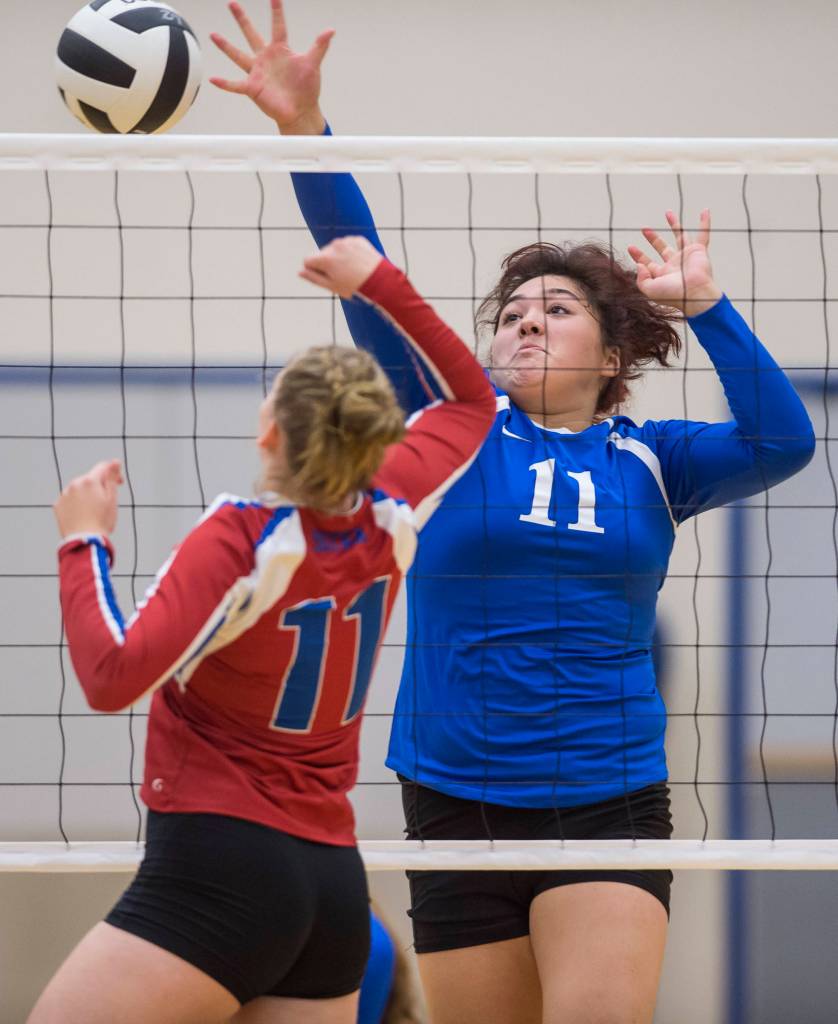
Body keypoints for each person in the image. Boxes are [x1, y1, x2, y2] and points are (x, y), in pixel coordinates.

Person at [210, 5, 817, 1021]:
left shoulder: (651, 457)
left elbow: (781, 442)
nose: (525, 321)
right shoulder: (450, 423)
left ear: (614, 356)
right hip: (456, 794)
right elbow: (359, 255)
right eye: (512, 314)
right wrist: (305, 130)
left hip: (607, 792)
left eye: (558, 309)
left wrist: (707, 306)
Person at [27, 236, 495, 1024]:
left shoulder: (243, 538)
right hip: (333, 889)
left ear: (270, 432)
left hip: (220, 869)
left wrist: (84, 542)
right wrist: (380, 282)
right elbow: (471, 403)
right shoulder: (390, 515)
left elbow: (111, 677)